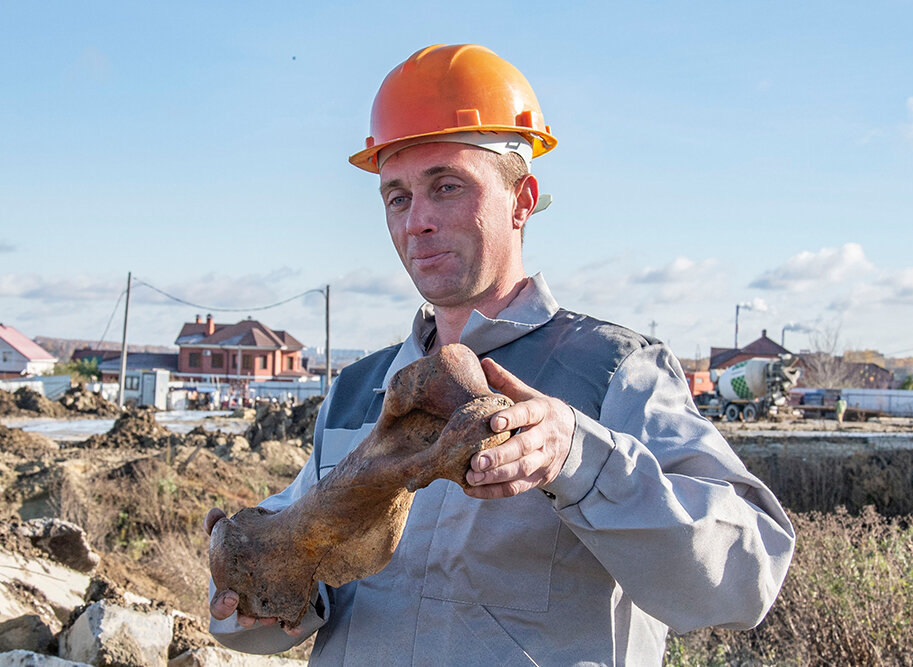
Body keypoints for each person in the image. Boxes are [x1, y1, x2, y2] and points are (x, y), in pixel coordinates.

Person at [205, 44, 795, 665]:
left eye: (447, 186)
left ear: (521, 198)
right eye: (398, 196)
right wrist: (253, 594)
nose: (418, 222)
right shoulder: (360, 389)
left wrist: (578, 459)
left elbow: (745, 580)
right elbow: (283, 604)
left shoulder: (613, 370)